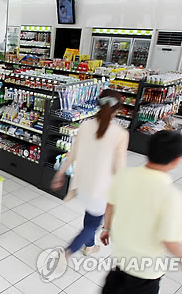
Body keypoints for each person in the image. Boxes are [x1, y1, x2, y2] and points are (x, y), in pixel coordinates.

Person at [100, 131, 182, 294]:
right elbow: (169, 242)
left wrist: (106, 229)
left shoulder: (124, 175)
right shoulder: (171, 195)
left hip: (121, 263)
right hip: (145, 274)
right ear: (177, 160)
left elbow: (110, 207)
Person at [51, 89, 128, 257]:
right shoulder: (121, 134)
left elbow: (73, 153)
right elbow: (120, 169)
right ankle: (67, 253)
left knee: (90, 214)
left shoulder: (85, 125)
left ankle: (90, 245)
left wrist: (60, 173)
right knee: (93, 224)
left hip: (81, 184)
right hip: (100, 189)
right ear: (118, 109)